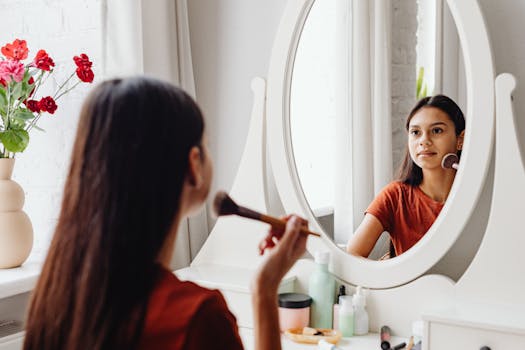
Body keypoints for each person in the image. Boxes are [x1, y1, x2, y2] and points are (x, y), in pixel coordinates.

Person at [23, 77, 308, 350]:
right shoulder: (197, 318)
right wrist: (264, 289)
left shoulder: (55, 300)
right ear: (193, 165)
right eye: (206, 144)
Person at [346, 95, 465, 258]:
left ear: (460, 139)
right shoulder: (394, 196)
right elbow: (353, 255)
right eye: (416, 132)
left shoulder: (475, 195)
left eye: (436, 130)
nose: (424, 141)